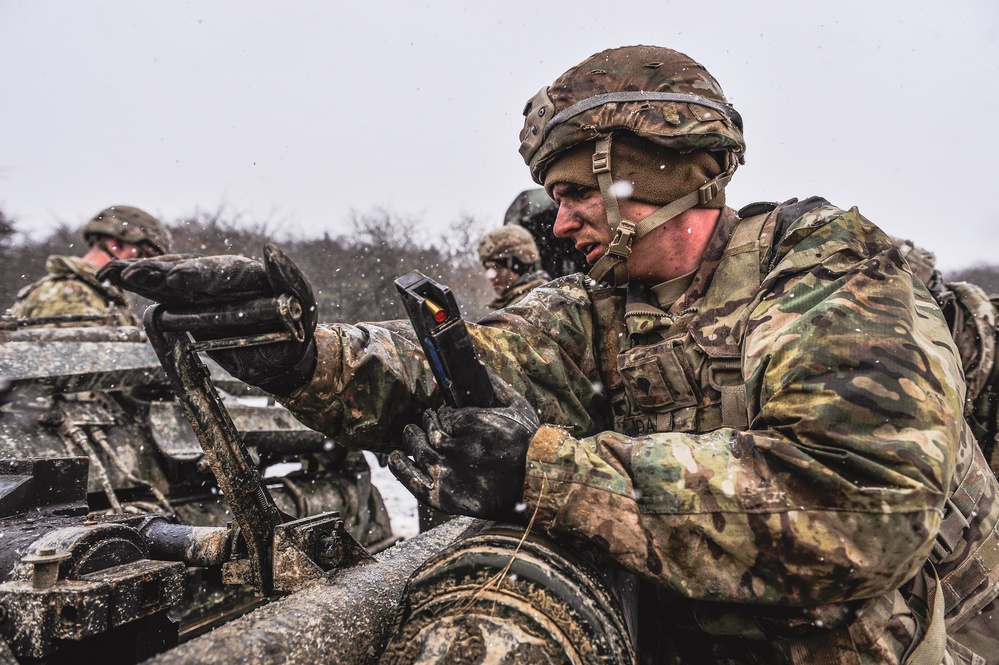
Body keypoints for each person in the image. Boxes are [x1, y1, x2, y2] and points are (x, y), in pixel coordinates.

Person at [102, 46, 999, 663]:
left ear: (654, 177)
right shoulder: (602, 307)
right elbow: (471, 369)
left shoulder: (832, 274)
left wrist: (544, 471)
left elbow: (855, 509)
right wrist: (302, 355)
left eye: (576, 192)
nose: (559, 222)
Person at [10, 205, 171, 326]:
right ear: (117, 246)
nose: (147, 265)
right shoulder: (72, 295)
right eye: (146, 255)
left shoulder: (97, 294)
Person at [477, 224, 551, 309]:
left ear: (518, 267)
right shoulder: (514, 302)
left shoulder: (534, 303)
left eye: (496, 267)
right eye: (487, 268)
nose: (490, 275)